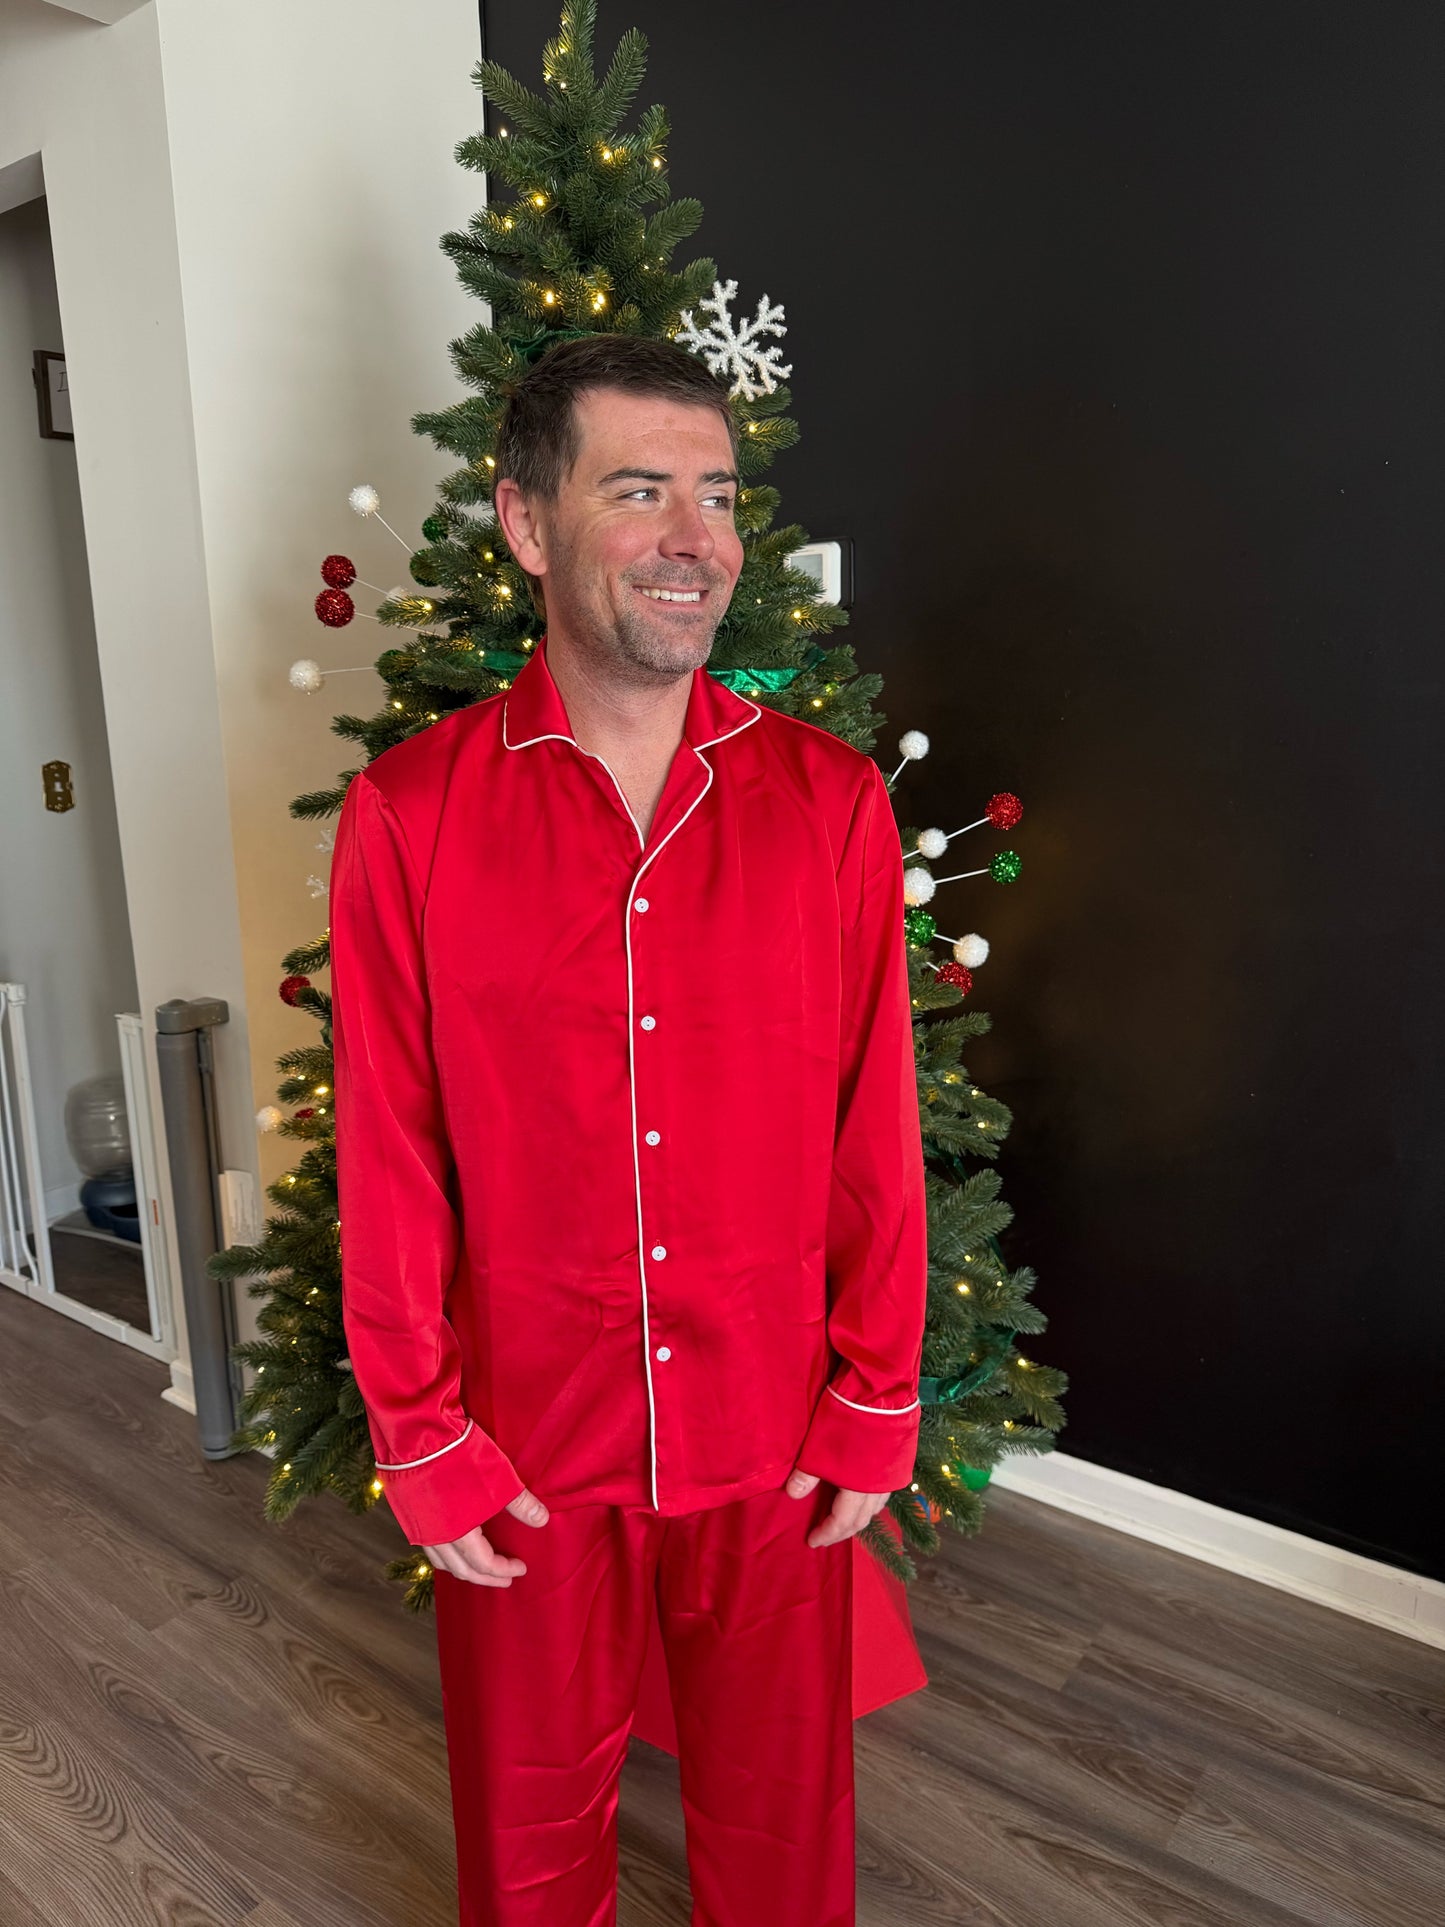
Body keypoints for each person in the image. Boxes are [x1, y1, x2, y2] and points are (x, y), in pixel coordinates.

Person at [329, 333, 927, 1927]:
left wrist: (875, 1394)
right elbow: (389, 1146)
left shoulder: (829, 805)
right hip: (525, 1444)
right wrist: (421, 1433)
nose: (698, 539)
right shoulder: (412, 816)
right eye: (641, 489)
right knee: (525, 1853)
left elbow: (874, 1126)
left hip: (773, 1431)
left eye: (717, 496)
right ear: (526, 524)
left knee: (784, 1837)